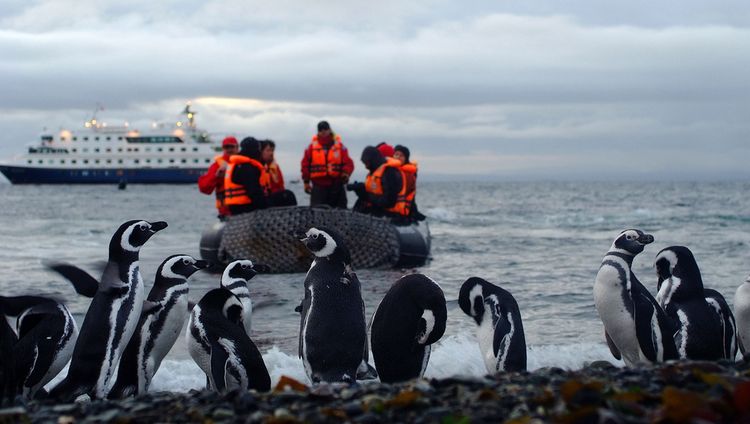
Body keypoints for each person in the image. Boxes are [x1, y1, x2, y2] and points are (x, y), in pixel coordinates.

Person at [300, 121, 354, 208]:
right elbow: (305, 165)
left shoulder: (340, 147)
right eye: (320, 129)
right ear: (318, 132)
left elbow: (348, 163)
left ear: (329, 130)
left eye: (325, 129)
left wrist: (346, 173)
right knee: (317, 214)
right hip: (319, 187)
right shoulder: (311, 148)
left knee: (340, 213)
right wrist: (306, 182)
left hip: (337, 186)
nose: (323, 131)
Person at [348, 146, 410, 221]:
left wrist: (367, 196)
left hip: (390, 215)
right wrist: (360, 188)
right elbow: (375, 191)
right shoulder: (375, 172)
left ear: (373, 160)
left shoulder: (389, 173)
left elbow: (390, 202)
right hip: (378, 211)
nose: (366, 167)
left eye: (367, 163)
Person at [223, 137, 270, 215]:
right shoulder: (247, 167)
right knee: (286, 196)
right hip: (245, 208)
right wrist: (267, 207)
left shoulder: (235, 164)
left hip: (234, 208)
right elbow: (254, 194)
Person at [198, 136, 238, 219]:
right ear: (223, 148)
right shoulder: (217, 166)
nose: (229, 149)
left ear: (237, 147)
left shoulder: (243, 163)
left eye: (232, 147)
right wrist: (216, 176)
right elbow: (204, 188)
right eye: (227, 147)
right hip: (226, 213)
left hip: (245, 210)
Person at [393, 144, 425, 221]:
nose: (398, 157)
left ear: (406, 158)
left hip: (403, 210)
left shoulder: (409, 173)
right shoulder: (390, 170)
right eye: (396, 154)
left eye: (401, 155)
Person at [261, 139, 297, 206]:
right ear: (261, 152)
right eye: (268, 150)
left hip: (275, 197)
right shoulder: (259, 167)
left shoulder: (275, 167)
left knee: (288, 195)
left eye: (272, 150)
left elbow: (281, 185)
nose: (271, 153)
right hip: (266, 199)